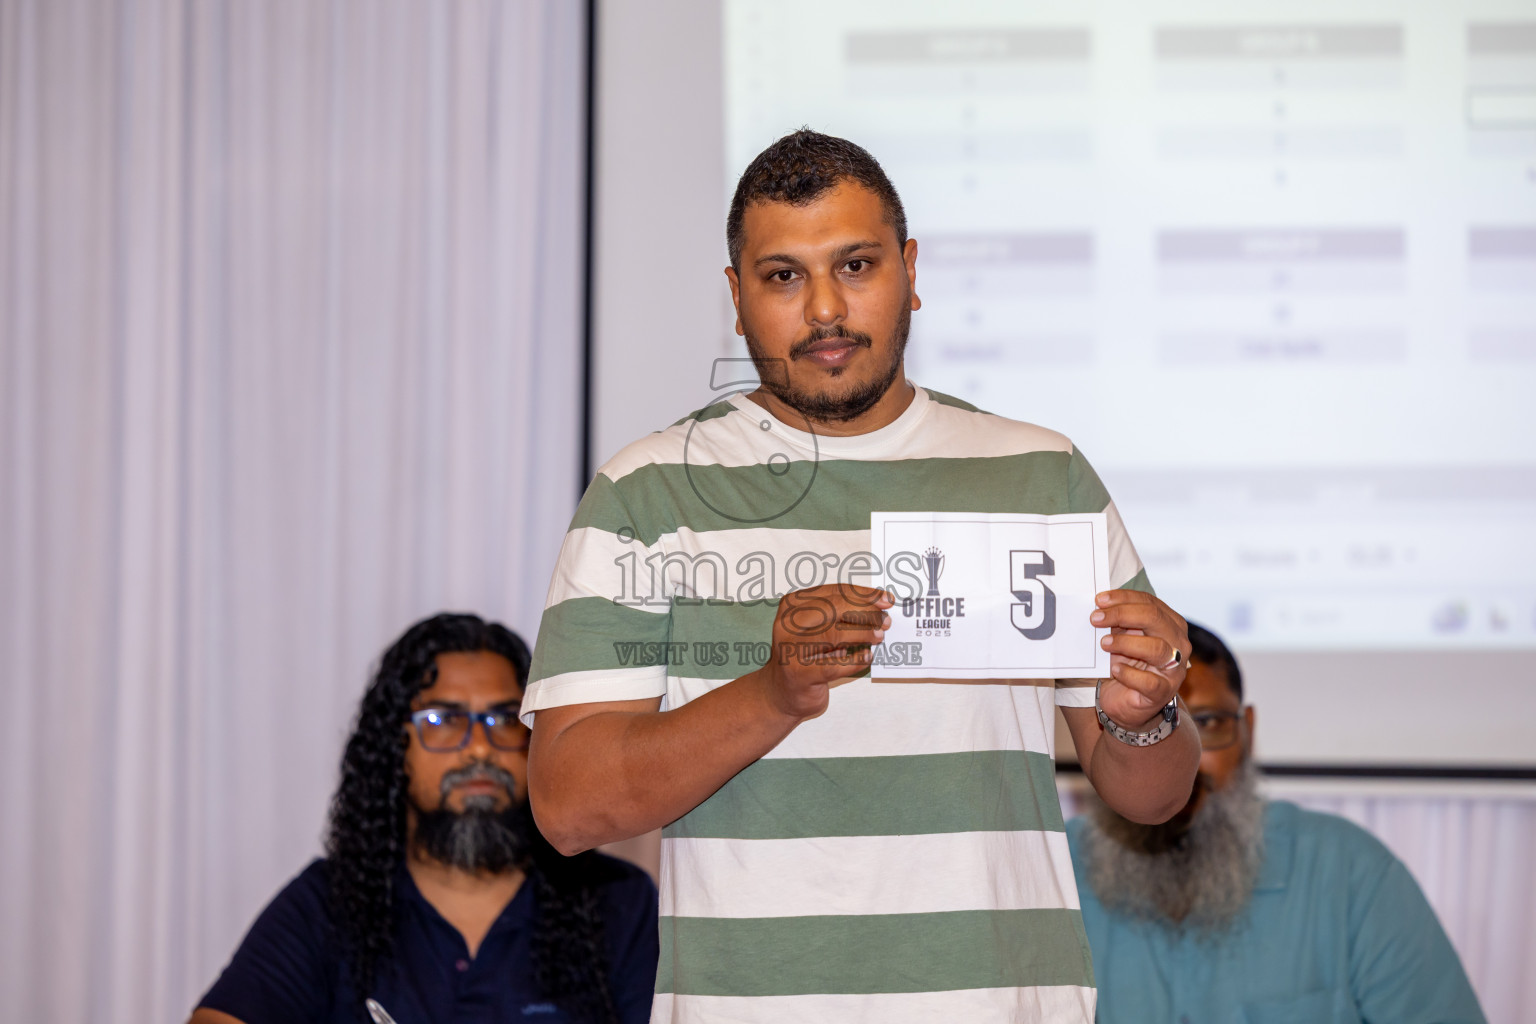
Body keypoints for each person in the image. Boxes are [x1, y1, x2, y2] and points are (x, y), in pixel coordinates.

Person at [524, 130, 1200, 1022]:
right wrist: (773, 693)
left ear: (910, 270)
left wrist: (1146, 717)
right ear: (736, 298)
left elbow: (1151, 796)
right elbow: (569, 807)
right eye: (782, 276)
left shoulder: (1041, 472)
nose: (825, 311)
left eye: (855, 264)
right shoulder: (647, 492)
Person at [189, 613, 659, 1024]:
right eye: (441, 721)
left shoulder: (617, 901)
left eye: (505, 720)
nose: (478, 748)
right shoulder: (330, 904)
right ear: (395, 748)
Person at [1067, 622, 1486, 1023]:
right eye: (1142, 726)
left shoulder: (1349, 873)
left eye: (1207, 724)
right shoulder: (1055, 874)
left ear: (1248, 730)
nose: (1182, 761)